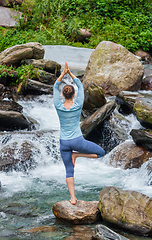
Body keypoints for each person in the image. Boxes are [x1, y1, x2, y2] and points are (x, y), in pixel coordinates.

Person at [53, 62, 105, 205]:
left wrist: (63, 74)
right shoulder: (78, 105)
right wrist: (70, 74)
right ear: (74, 94)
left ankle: (73, 198)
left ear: (62, 95)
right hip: (77, 141)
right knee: (101, 152)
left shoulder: (58, 105)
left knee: (69, 171)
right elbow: (81, 86)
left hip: (64, 142)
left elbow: (55, 86)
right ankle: (77, 154)